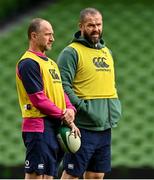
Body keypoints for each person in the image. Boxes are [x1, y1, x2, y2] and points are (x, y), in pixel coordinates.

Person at [57, 8, 122, 179]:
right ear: (81, 26)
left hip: (105, 127)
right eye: (90, 25)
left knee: (96, 175)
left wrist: (115, 109)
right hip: (82, 127)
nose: (96, 28)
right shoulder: (70, 52)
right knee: (72, 174)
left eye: (98, 24)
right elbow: (62, 86)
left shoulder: (106, 52)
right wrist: (82, 107)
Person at [16, 18, 80, 179]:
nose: (52, 38)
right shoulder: (28, 63)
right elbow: (38, 99)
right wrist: (65, 116)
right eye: (47, 34)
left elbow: (60, 91)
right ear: (34, 35)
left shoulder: (51, 63)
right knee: (36, 175)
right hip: (38, 127)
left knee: (49, 176)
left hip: (54, 126)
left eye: (52, 34)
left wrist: (70, 109)